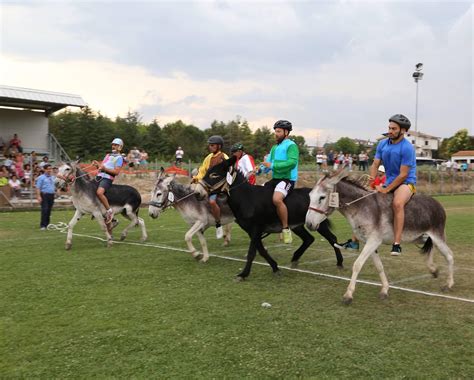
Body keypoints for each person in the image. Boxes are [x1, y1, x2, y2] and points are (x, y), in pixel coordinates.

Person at [371, 114, 416, 256]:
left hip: (406, 182)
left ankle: (396, 244)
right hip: (388, 181)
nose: (390, 131)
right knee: (367, 199)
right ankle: (354, 241)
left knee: (397, 204)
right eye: (389, 128)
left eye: (394, 129)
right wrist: (372, 181)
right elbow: (375, 164)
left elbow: (403, 175)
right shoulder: (382, 144)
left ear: (402, 131)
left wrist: (386, 189)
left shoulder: (407, 148)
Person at [260, 120, 299, 244]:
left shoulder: (291, 145)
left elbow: (292, 163)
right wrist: (258, 170)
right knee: (258, 195)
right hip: (275, 179)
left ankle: (286, 229)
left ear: (286, 132)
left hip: (287, 179)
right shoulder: (274, 147)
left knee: (277, 199)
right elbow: (267, 165)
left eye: (278, 131)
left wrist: (271, 165)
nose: (275, 134)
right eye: (275, 131)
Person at [192, 135, 228, 239]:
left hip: (220, 186)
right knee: (197, 195)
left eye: (212, 145)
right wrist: (196, 178)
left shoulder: (224, 157)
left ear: (219, 146)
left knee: (212, 202)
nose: (210, 147)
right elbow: (202, 171)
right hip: (209, 186)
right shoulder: (208, 158)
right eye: (210, 145)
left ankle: (218, 225)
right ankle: (202, 222)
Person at [92, 138, 125, 224]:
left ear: (120, 147)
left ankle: (109, 211)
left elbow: (116, 172)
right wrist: (97, 165)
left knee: (99, 193)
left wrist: (104, 168)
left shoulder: (120, 158)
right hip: (99, 176)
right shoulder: (107, 155)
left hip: (107, 178)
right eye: (113, 145)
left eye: (116, 145)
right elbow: (101, 167)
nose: (113, 146)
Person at [35, 164, 56, 230]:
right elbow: (38, 187)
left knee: (49, 210)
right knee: (45, 209)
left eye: (50, 169)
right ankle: (43, 225)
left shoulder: (52, 177)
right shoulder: (41, 177)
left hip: (51, 195)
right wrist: (38, 196)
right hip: (44, 195)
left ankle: (47, 224)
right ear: (44, 169)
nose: (49, 170)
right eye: (48, 169)